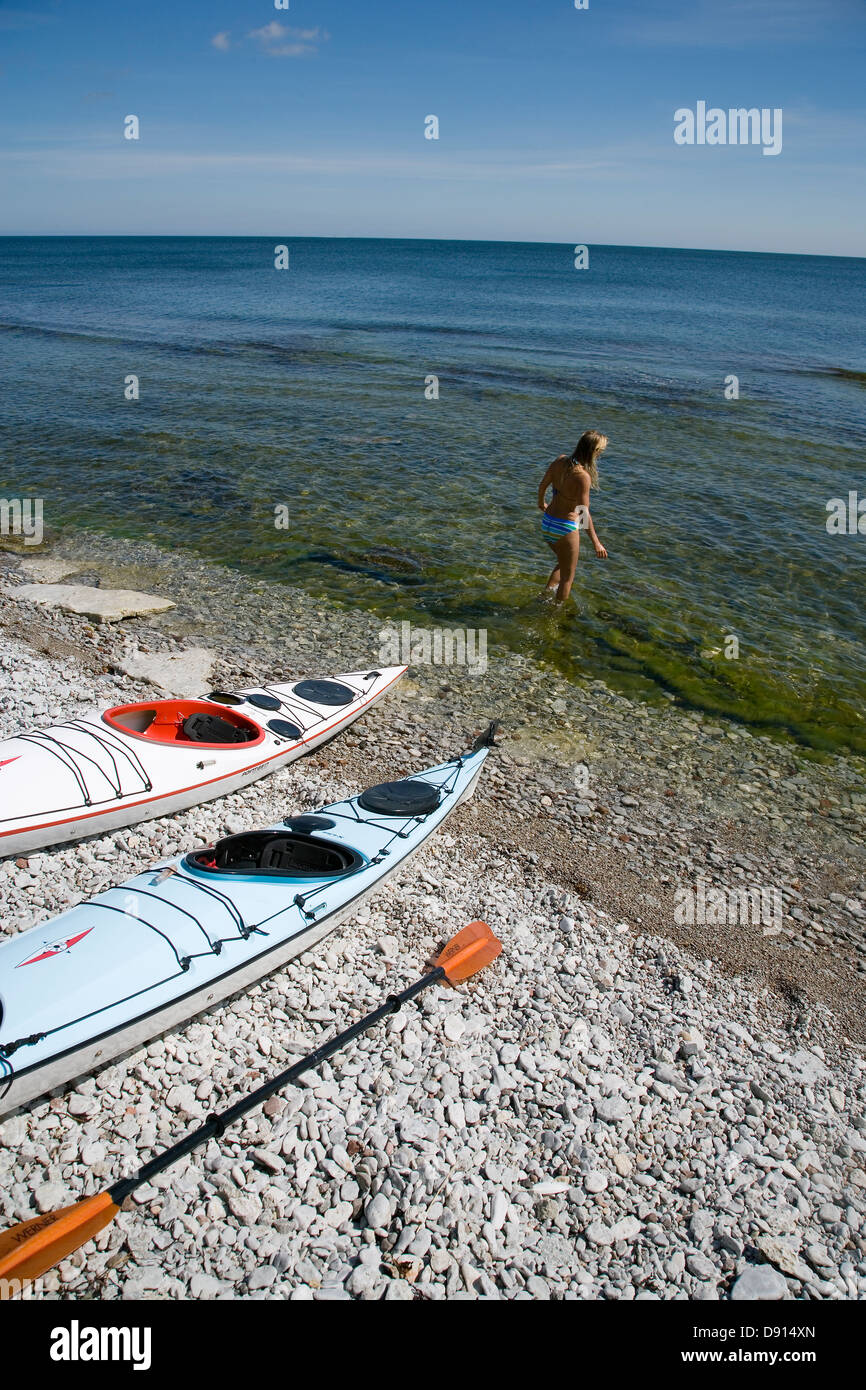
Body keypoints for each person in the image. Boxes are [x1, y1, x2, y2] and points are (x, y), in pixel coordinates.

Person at [537, 430, 608, 603]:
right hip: (564, 529)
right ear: (594, 451)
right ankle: (556, 613)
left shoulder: (559, 461)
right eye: (600, 451)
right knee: (568, 578)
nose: (600, 455)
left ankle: (545, 597)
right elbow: (583, 512)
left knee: (563, 564)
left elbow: (542, 485)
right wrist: (596, 542)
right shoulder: (582, 476)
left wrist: (541, 503)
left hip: (547, 523)